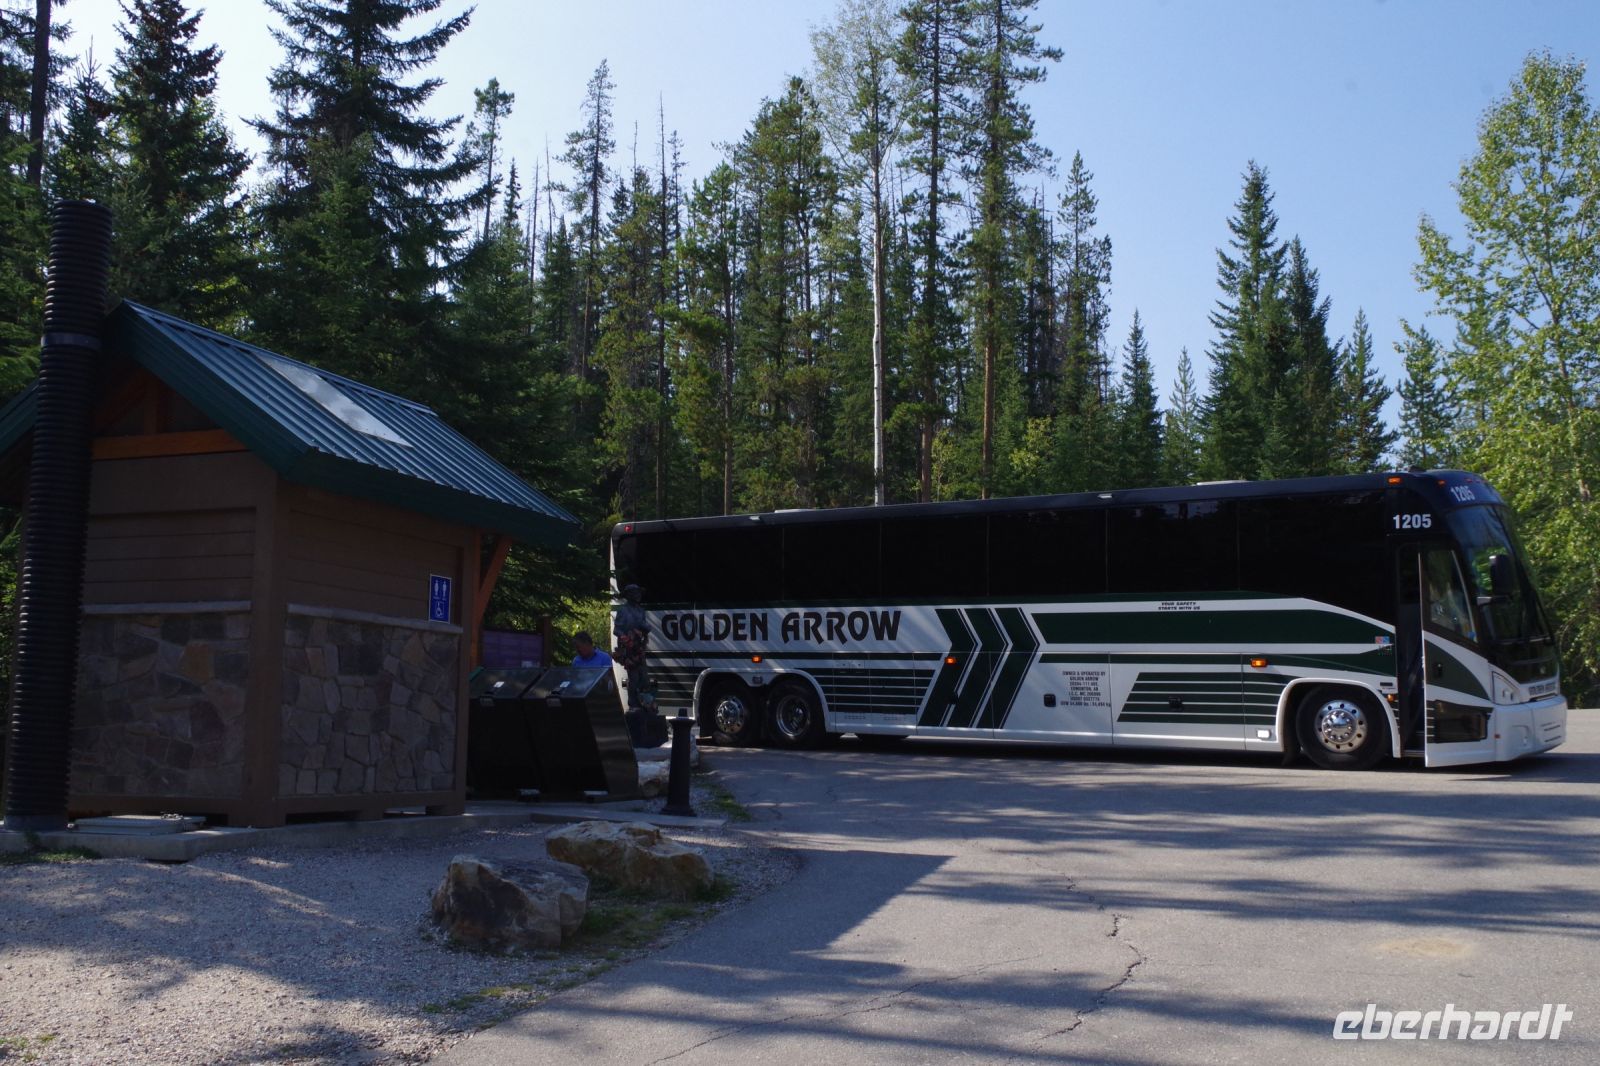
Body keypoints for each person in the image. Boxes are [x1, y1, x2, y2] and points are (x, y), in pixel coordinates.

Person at [613, 584, 650, 710]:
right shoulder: (623, 611)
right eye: (635, 593)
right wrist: (626, 639)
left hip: (639, 648)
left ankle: (645, 703)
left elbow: (644, 627)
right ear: (629, 595)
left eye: (639, 593)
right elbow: (617, 630)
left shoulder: (641, 610)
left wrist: (645, 631)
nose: (638, 595)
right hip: (628, 648)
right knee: (633, 678)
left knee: (644, 678)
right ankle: (633, 704)